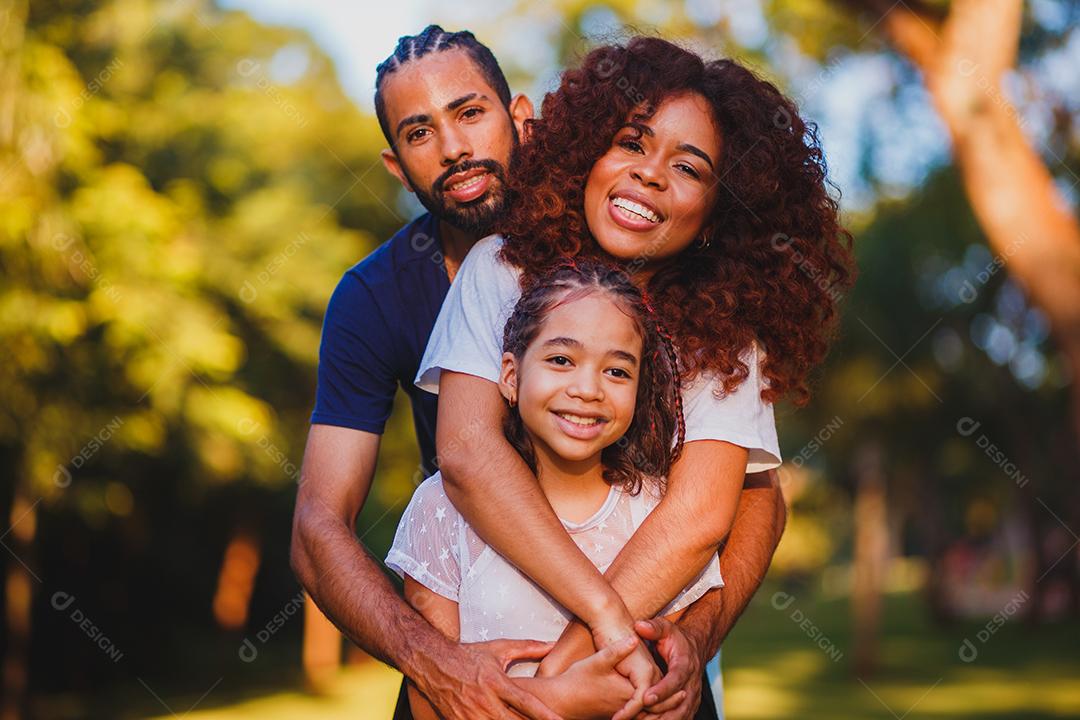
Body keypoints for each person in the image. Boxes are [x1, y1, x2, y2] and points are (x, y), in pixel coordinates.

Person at [292, 25, 787, 720]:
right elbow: (438, 469)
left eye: (469, 112)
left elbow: (740, 504)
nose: (454, 147)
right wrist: (450, 668)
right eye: (419, 132)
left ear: (521, 118)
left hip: (646, 631)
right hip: (481, 613)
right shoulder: (460, 276)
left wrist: (672, 641)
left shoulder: (719, 322)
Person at [417, 36, 856, 718]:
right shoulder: (500, 267)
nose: (649, 175)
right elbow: (468, 452)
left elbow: (701, 517)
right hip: (490, 659)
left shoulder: (725, 337)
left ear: (714, 216)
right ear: (587, 156)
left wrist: (558, 676)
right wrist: (597, 625)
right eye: (631, 142)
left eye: (688, 167)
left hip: (639, 683)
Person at [389, 260, 724, 720]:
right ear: (510, 376)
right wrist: (562, 700)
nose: (588, 389)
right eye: (561, 360)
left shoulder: (655, 515)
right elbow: (429, 701)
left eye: (617, 371)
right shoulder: (442, 510)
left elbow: (660, 692)